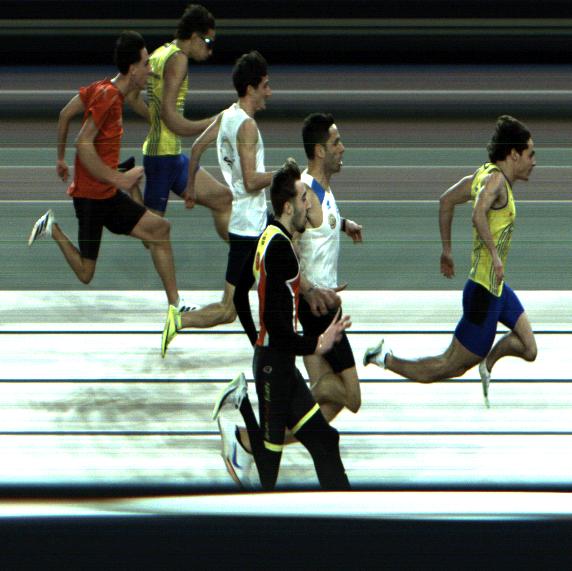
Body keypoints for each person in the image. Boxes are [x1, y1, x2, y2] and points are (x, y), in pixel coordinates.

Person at [364, 115, 538, 403]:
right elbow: (477, 214)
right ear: (514, 154)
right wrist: (495, 257)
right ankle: (383, 358)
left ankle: (487, 363)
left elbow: (446, 201)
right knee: (448, 366)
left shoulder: (484, 175)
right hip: (484, 293)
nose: (534, 162)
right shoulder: (495, 180)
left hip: (496, 288)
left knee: (529, 348)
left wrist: (447, 251)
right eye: (530, 154)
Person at [213, 160, 352, 491]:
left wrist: (257, 342)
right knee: (268, 472)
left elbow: (241, 296)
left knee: (325, 441)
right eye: (304, 198)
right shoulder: (282, 253)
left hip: (277, 366)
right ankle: (241, 406)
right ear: (289, 207)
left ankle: (345, 509)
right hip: (274, 370)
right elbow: (279, 332)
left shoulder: (267, 237)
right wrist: (318, 343)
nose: (309, 206)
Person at [28, 31, 189, 311]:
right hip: (91, 199)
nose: (150, 70)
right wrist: (121, 178)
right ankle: (52, 228)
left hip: (108, 195)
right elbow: (83, 143)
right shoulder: (108, 97)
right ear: (132, 69)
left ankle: (176, 306)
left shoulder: (101, 88)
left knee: (160, 229)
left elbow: (65, 114)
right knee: (86, 273)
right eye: (146, 64)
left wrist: (60, 159)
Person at [160, 50, 274, 357]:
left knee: (281, 265)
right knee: (228, 309)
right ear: (250, 88)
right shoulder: (246, 126)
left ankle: (266, 345)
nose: (269, 92)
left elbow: (197, 147)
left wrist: (190, 189)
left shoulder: (228, 115)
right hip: (249, 228)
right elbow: (250, 181)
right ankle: (180, 320)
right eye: (265, 86)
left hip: (250, 220)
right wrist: (283, 176)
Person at [142, 3, 231, 241]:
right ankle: (128, 188)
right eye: (208, 42)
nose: (210, 50)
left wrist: (155, 120)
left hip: (170, 156)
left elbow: (133, 98)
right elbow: (171, 119)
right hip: (162, 158)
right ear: (194, 36)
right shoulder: (178, 59)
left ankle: (244, 256)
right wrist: (212, 123)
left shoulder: (160, 53)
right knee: (151, 238)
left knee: (223, 199)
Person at [297, 112, 364, 422]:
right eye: (336, 142)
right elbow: (283, 250)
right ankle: (283, 400)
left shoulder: (321, 189)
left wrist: (343, 224)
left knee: (326, 407)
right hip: (318, 308)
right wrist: (309, 290)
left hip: (323, 305)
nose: (342, 148)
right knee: (351, 397)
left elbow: (318, 225)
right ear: (320, 151)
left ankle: (248, 440)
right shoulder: (304, 193)